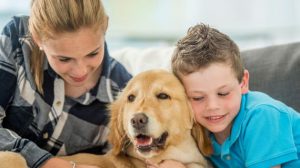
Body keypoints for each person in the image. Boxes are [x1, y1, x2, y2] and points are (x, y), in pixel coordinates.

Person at [0, 0, 132, 168]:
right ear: (37, 38)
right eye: (64, 59)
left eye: (93, 53)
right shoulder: (17, 39)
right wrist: (51, 164)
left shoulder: (124, 91)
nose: (80, 71)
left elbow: (131, 157)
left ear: (105, 26)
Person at [149, 24, 300, 168]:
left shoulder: (262, 115)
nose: (213, 106)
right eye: (197, 98)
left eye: (223, 93)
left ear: (243, 83)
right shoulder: (198, 130)